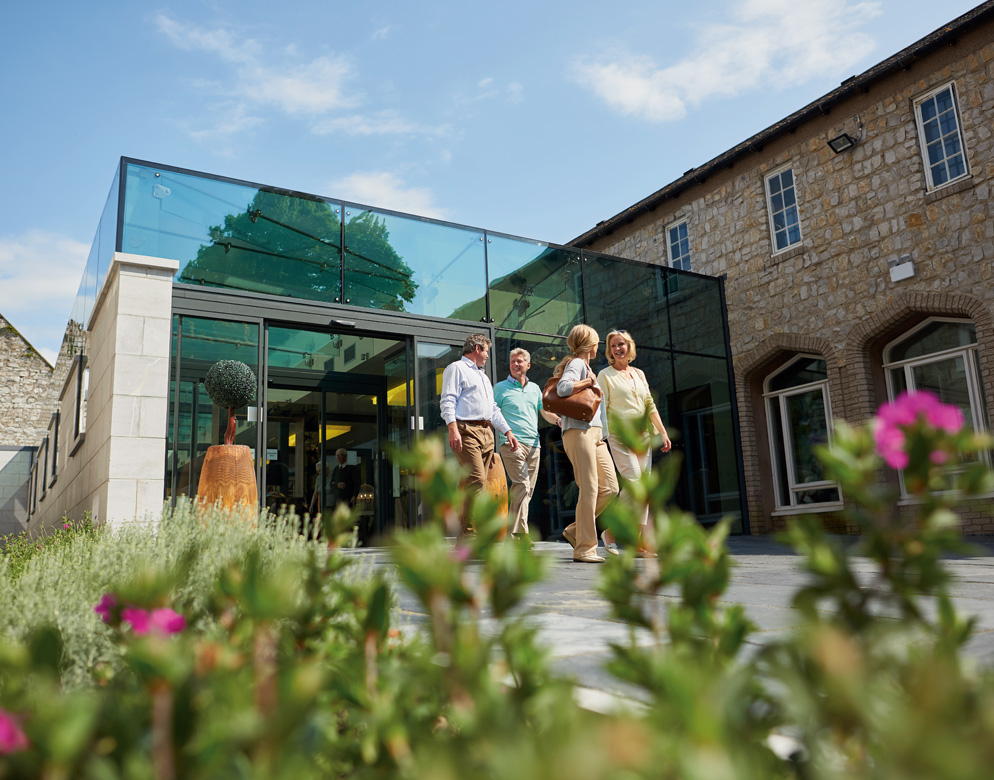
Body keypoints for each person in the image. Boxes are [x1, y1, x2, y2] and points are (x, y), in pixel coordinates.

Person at [598, 329, 671, 556]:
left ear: (629, 347)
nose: (618, 349)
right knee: (633, 482)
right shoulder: (605, 375)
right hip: (619, 435)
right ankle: (611, 532)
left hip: (643, 437)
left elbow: (649, 404)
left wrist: (663, 431)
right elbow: (602, 408)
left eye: (621, 344)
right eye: (613, 346)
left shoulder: (639, 374)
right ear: (609, 351)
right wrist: (602, 434)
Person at [440, 334, 519, 535]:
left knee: (478, 485)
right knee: (476, 480)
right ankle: (470, 534)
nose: (487, 356)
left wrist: (507, 431)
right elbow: (447, 400)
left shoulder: (483, 377)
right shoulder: (456, 368)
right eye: (486, 351)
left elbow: (492, 409)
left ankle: (468, 536)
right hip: (466, 430)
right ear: (477, 348)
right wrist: (452, 429)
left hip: (486, 432)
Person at [554, 324, 619, 563]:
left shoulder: (586, 366)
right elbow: (563, 388)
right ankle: (584, 548)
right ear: (590, 344)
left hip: (596, 435)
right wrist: (587, 382)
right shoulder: (577, 364)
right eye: (598, 341)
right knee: (590, 487)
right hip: (579, 432)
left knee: (610, 488)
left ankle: (574, 531)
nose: (599, 345)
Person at [494, 348, 561, 542]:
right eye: (512, 361)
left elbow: (544, 411)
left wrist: (558, 421)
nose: (515, 364)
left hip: (534, 444)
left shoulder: (534, 389)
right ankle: (519, 534)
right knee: (522, 484)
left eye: (520, 361)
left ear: (528, 365)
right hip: (511, 443)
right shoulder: (499, 388)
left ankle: (512, 534)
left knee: (527, 490)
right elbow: (491, 413)